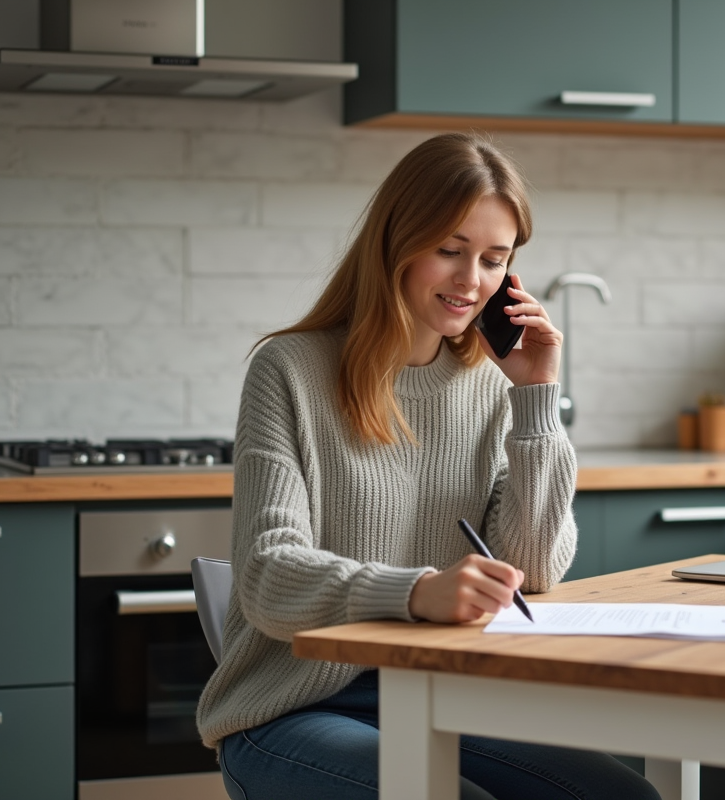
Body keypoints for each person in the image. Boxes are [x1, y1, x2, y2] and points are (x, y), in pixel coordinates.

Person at [195, 132, 660, 800]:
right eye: (450, 250)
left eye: (495, 259)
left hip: (440, 696)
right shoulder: (290, 370)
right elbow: (267, 575)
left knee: (626, 798)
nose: (473, 281)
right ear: (396, 243)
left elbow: (536, 567)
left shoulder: (489, 382)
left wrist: (535, 397)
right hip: (292, 709)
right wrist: (414, 592)